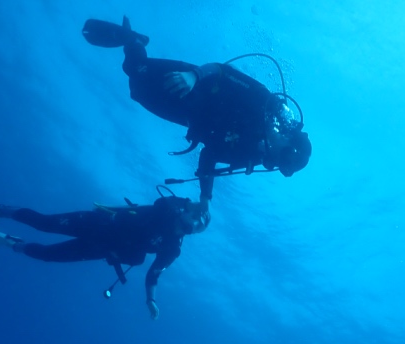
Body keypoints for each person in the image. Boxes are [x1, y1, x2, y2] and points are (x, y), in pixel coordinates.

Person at [82, 17, 312, 205]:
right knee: (134, 69)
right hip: (193, 83)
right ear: (288, 138)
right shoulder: (266, 104)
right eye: (280, 155)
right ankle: (133, 40)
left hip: (186, 116)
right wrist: (194, 76)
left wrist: (205, 199)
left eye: (277, 164)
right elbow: (223, 71)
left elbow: (209, 155)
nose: (271, 158)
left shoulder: (251, 155)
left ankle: (134, 43)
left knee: (137, 92)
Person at [0, 195, 209, 320]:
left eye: (201, 223)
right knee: (44, 223)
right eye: (197, 215)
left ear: (197, 231)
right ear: (189, 211)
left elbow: (154, 274)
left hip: (100, 248)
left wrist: (151, 300)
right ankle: (1, 210)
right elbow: (164, 202)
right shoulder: (166, 211)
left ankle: (15, 244)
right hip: (96, 223)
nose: (197, 221)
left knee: (48, 255)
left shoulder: (172, 248)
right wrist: (191, 203)